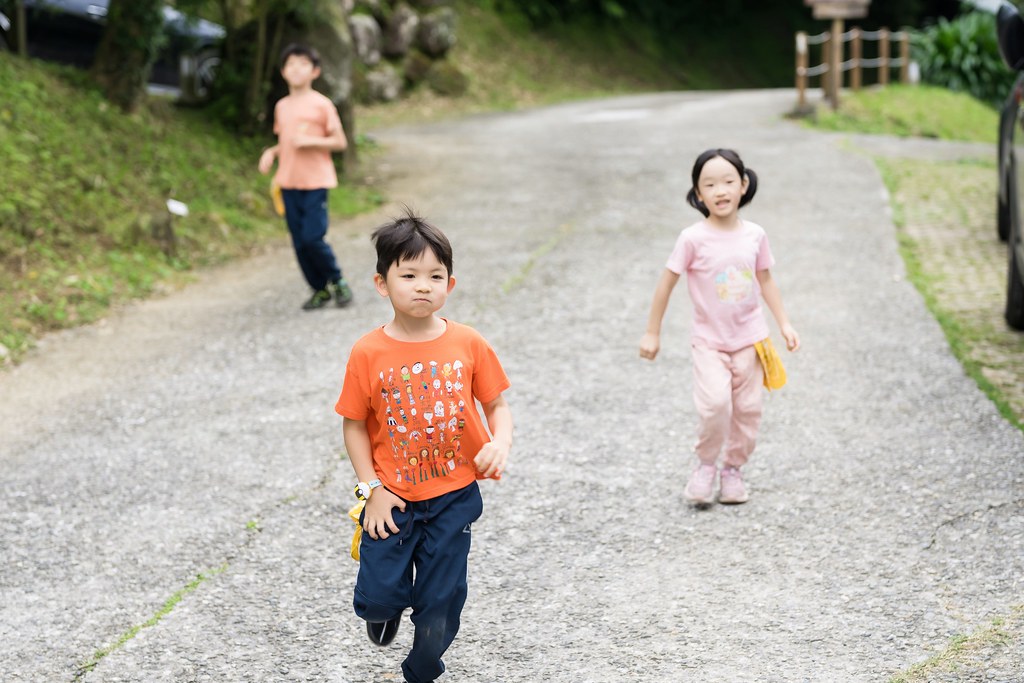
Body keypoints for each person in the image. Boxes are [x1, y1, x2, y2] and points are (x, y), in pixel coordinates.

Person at [335, 210, 513, 683]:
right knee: (376, 596)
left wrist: (500, 443)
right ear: (382, 283)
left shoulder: (468, 343)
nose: (422, 286)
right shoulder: (367, 352)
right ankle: (383, 609)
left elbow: (497, 405)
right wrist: (370, 488)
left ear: (449, 286)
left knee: (441, 603)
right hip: (390, 496)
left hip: (453, 496)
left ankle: (421, 670)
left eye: (435, 276)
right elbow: (353, 426)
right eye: (408, 275)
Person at [639, 148, 800, 506]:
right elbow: (666, 284)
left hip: (751, 340)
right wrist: (653, 331)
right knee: (715, 406)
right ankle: (706, 465)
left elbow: (766, 280)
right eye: (709, 184)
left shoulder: (755, 235)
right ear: (698, 194)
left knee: (748, 411)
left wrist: (784, 324)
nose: (720, 190)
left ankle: (733, 470)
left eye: (728, 181)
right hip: (709, 342)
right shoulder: (692, 238)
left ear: (744, 185)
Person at [258, 43, 353, 310]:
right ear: (283, 72)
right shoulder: (281, 106)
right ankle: (319, 289)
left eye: (303, 64)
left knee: (313, 237)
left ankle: (338, 280)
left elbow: (340, 142)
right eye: (291, 64)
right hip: (288, 182)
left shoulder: (322, 105)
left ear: (315, 71)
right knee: (299, 243)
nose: (296, 69)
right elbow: (287, 141)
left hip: (316, 182)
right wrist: (272, 152)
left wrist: (311, 141)